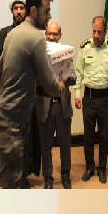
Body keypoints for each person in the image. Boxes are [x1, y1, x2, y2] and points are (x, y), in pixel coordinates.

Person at [0, 0, 64, 189]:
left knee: (12, 180)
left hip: (5, 120)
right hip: (12, 124)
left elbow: (1, 67)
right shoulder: (36, 38)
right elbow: (52, 87)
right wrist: (61, 86)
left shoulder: (12, 33)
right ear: (34, 10)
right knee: (13, 186)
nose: (49, 16)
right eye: (46, 11)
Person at [0, 0, 26, 184]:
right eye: (16, 8)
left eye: (21, 8)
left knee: (22, 138)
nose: (18, 11)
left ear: (26, 11)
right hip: (4, 94)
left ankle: (22, 176)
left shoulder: (31, 34)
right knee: (3, 137)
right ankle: (2, 175)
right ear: (12, 11)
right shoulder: (4, 33)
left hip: (23, 95)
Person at [74, 16, 108, 184]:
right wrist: (77, 94)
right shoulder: (85, 47)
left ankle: (102, 168)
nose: (96, 35)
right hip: (89, 97)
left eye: (99, 32)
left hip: (105, 98)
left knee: (104, 136)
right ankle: (89, 167)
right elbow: (78, 73)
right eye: (94, 31)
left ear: (105, 31)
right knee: (88, 136)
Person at [35, 21, 73, 189]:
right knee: (46, 147)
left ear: (60, 36)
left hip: (62, 106)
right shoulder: (39, 55)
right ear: (45, 35)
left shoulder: (66, 53)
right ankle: (48, 180)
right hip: (45, 106)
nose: (52, 36)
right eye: (49, 33)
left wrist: (65, 80)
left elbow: (74, 77)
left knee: (65, 145)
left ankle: (66, 177)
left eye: (55, 34)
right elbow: (34, 79)